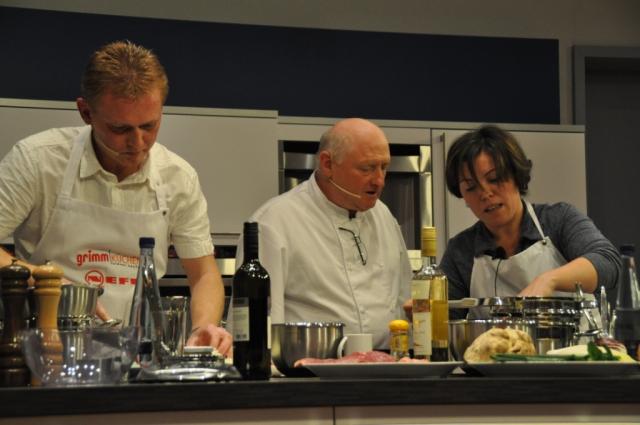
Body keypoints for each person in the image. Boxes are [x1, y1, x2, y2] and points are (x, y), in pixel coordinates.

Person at [0, 40, 232, 355]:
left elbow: (204, 273)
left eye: (149, 126)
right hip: (50, 353)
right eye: (120, 129)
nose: (138, 143)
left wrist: (203, 327)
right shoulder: (37, 161)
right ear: (86, 112)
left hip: (141, 356)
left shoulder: (178, 177)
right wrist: (45, 280)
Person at [236, 118, 412, 349]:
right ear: (327, 164)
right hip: (308, 366)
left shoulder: (384, 216)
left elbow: (404, 298)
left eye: (384, 167)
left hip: (386, 362)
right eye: (366, 168)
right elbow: (262, 324)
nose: (379, 181)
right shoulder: (274, 222)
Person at [440, 124, 621, 320]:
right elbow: (443, 319)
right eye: (471, 187)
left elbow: (608, 262)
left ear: (517, 177)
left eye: (494, 178)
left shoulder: (558, 220)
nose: (485, 193)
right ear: (463, 197)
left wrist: (548, 280)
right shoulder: (461, 250)